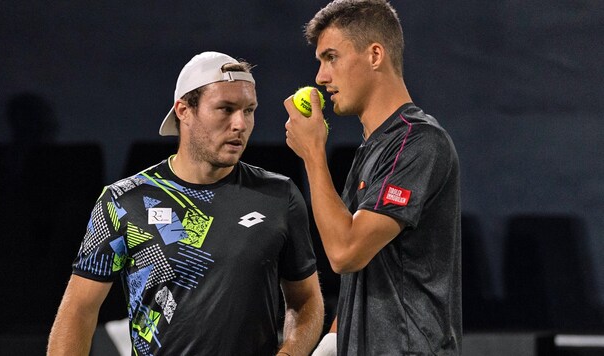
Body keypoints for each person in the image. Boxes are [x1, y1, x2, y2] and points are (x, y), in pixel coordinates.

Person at [48, 51, 324, 356]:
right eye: (225, 109)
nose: (240, 124)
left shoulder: (279, 196)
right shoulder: (123, 201)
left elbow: (306, 301)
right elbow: (79, 310)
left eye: (249, 110)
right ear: (184, 110)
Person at [284, 1, 462, 355]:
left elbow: (345, 253)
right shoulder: (373, 148)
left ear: (375, 55)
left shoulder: (420, 142)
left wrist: (313, 154)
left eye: (331, 57)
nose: (320, 77)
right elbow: (362, 277)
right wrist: (330, 346)